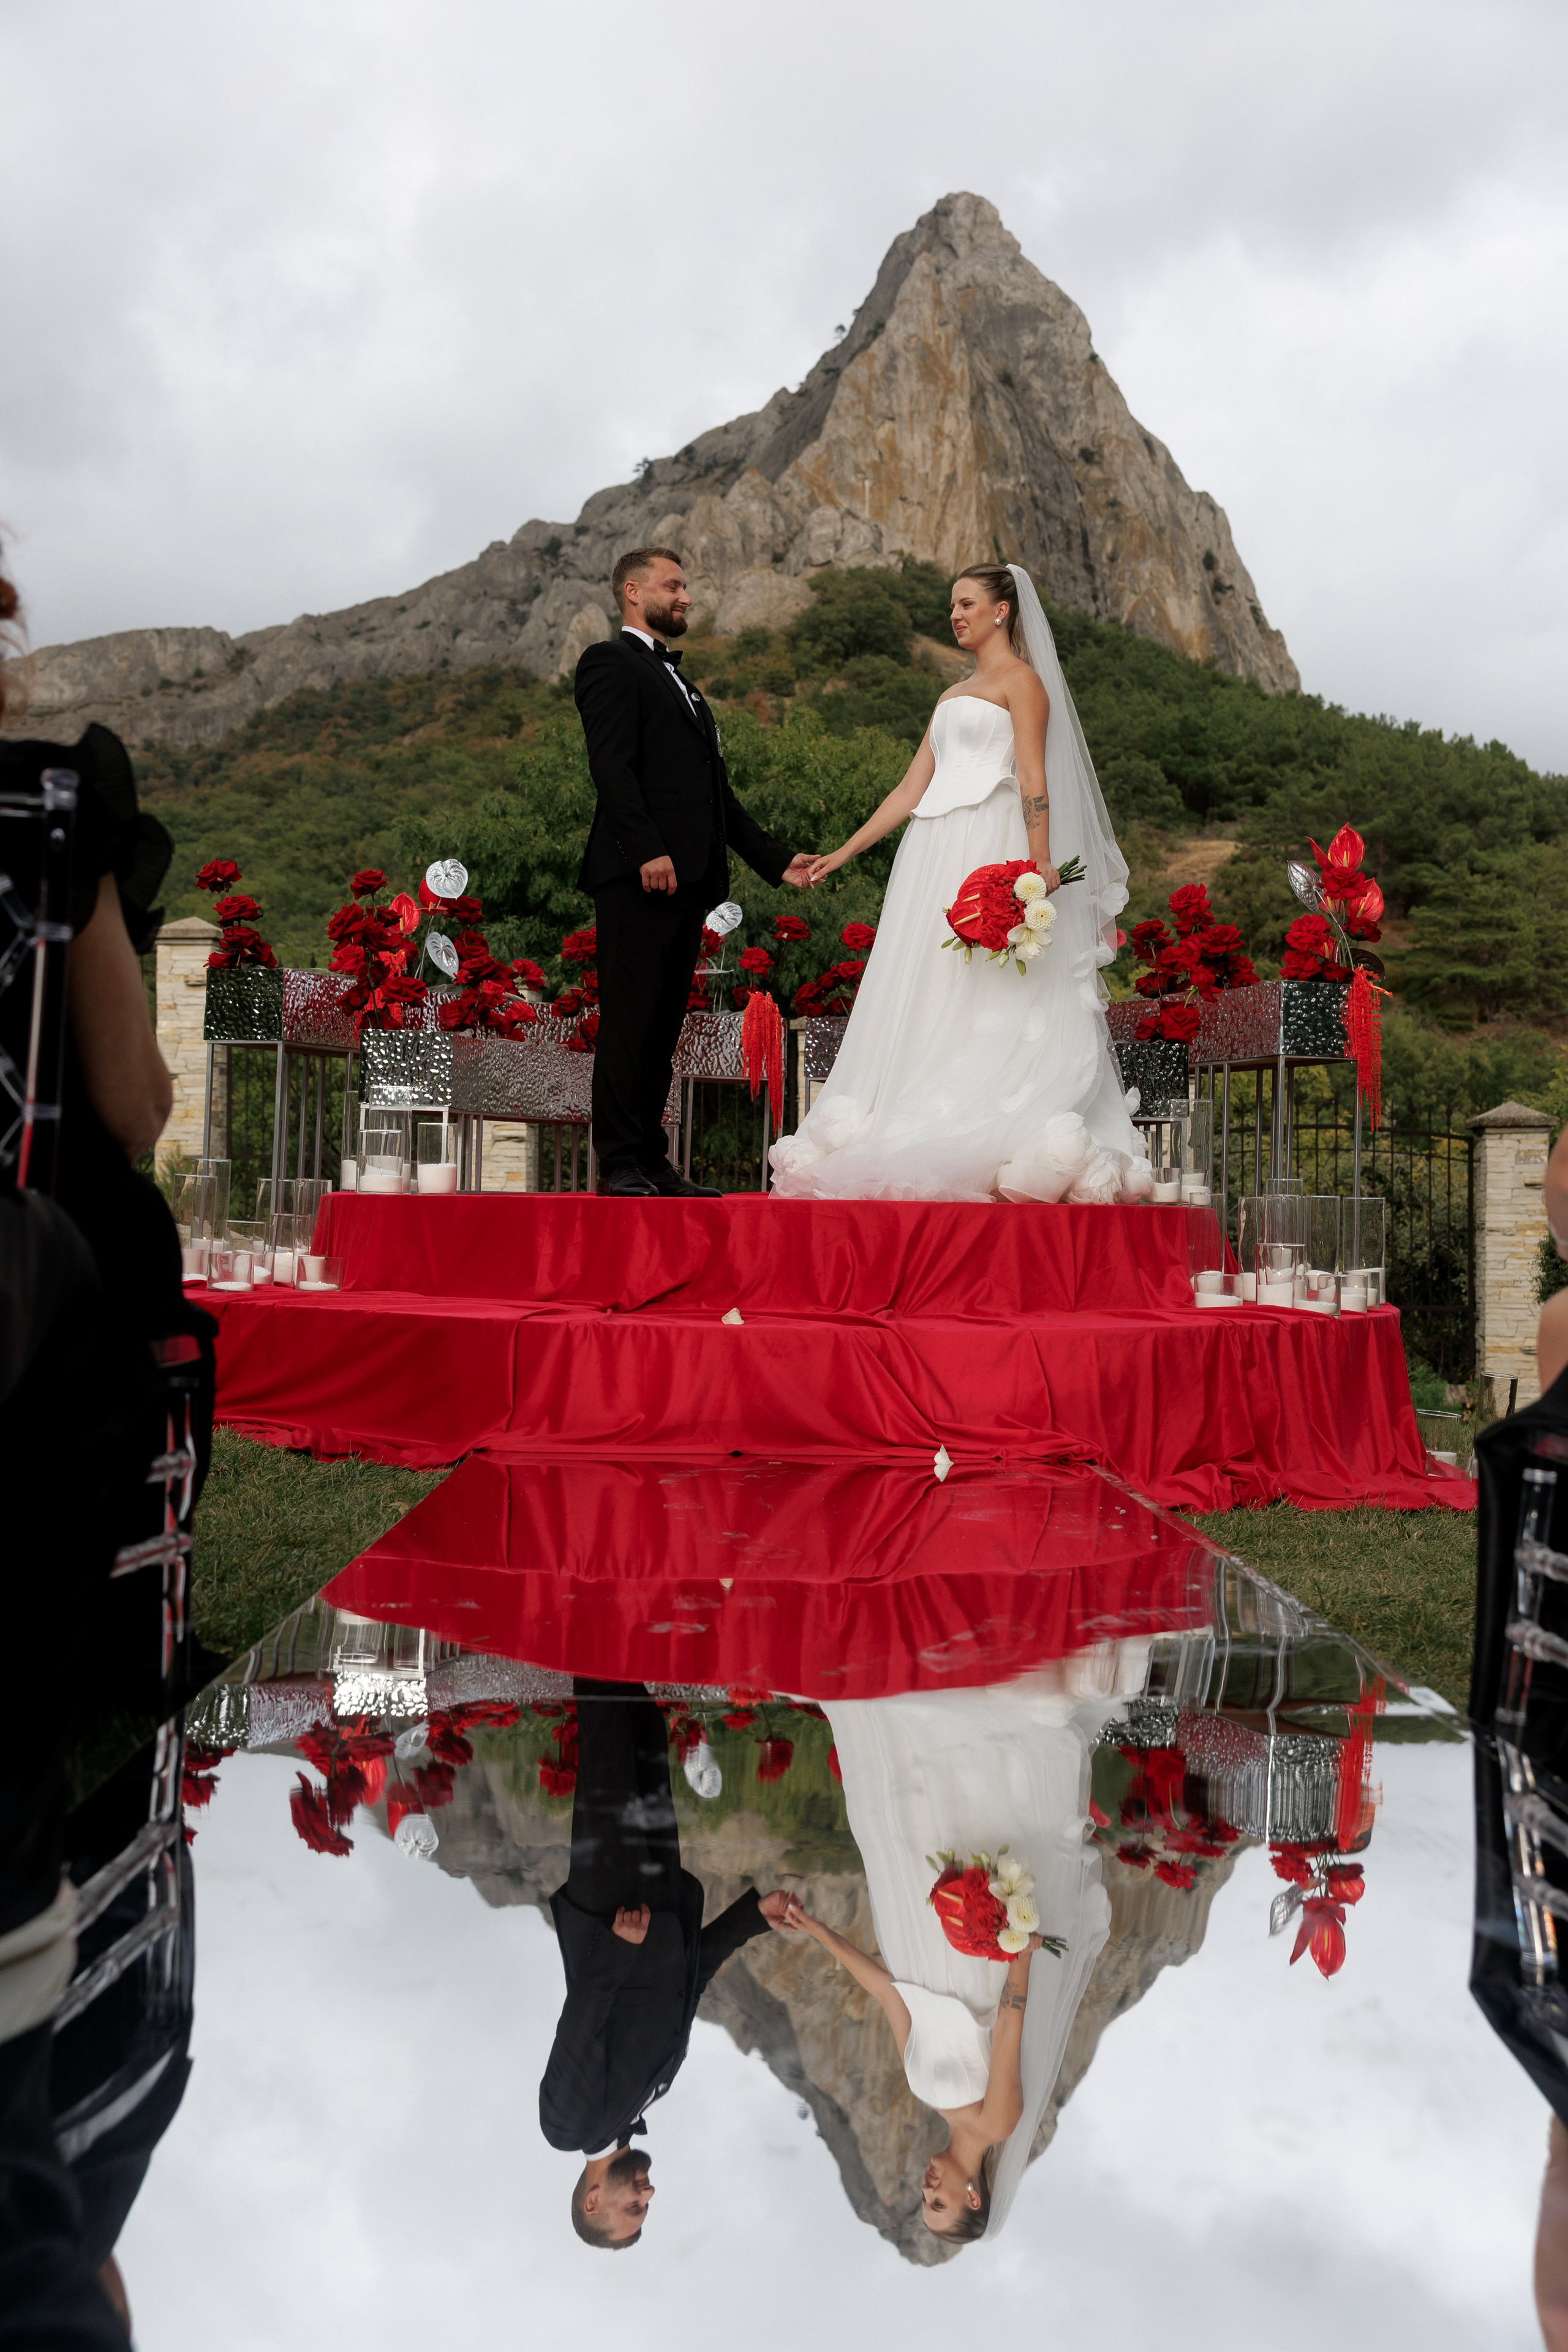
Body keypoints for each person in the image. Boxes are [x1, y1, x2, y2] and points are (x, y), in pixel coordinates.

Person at [769, 564, 1151, 1204]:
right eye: (952, 605)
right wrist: (843, 852)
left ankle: (991, 1121)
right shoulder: (950, 696)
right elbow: (910, 788)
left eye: (967, 603)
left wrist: (1035, 866)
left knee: (987, 985)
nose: (955, 614)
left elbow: (1032, 775)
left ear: (1002, 611)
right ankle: (913, 1108)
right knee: (924, 977)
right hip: (931, 851)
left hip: (989, 840)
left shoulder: (1023, 683)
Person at [780, 1657, 1147, 2241]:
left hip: (917, 1945)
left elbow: (889, 1994)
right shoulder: (997, 2123)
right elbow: (1009, 2025)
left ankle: (912, 1672)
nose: (928, 2189)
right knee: (977, 1816)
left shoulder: (926, 2092)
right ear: (973, 2196)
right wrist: (1019, 1949)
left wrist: (819, 1931)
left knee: (908, 1818)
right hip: (974, 1961)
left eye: (925, 2201)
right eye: (940, 2202)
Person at [574, 547, 813, 1197]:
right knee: (629, 1019)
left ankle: (651, 1162)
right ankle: (619, 1163)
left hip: (687, 883)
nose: (685, 597)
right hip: (638, 875)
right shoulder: (609, 663)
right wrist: (647, 849)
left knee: (661, 1026)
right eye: (672, 585)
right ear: (632, 591)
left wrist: (775, 859)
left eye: (685, 587)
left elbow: (716, 798)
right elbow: (612, 768)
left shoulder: (687, 687)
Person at [538, 1679, 796, 2245]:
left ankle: (589, 1603)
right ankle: (633, 1619)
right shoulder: (651, 2095)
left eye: (633, 2209)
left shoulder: (566, 2126)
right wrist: (752, 1918)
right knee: (645, 1730)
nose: (647, 2196)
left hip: (612, 1904)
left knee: (607, 1737)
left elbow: (580, 2024)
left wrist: (616, 1948)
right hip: (659, 1900)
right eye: (645, 2208)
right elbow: (688, 1984)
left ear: (594, 2199)